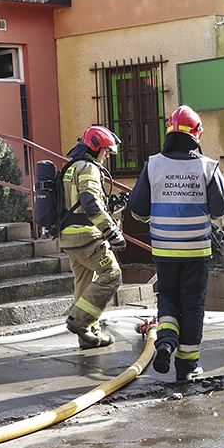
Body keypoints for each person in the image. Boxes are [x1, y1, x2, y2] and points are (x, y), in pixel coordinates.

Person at [129, 105, 224, 381]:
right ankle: (187, 366)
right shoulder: (206, 166)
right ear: (197, 134)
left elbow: (137, 210)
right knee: (192, 305)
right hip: (196, 250)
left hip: (164, 250)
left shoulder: (153, 164)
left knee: (168, 299)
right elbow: (222, 207)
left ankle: (164, 343)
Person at [59, 125, 125, 349]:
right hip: (87, 236)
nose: (106, 156)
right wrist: (111, 232)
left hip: (69, 237)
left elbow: (75, 203)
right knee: (112, 275)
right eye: (106, 151)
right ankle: (78, 321)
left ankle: (88, 336)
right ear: (96, 148)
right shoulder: (89, 168)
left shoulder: (71, 167)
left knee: (84, 283)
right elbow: (90, 202)